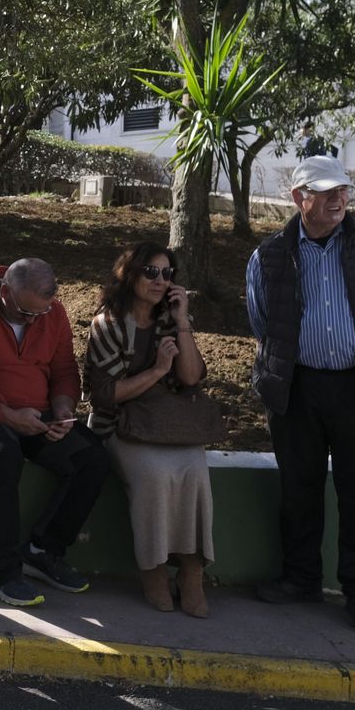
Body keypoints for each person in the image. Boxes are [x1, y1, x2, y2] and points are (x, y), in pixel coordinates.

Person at [246, 154, 355, 634]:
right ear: (299, 198)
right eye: (326, 191)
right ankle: (300, 578)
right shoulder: (270, 254)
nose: (339, 198)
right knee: (298, 488)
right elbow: (262, 321)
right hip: (297, 387)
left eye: (342, 189)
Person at [0, 259, 111, 606]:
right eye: (25, 313)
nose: (34, 320)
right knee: (2, 454)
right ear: (4, 291)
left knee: (91, 457)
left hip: (37, 413)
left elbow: (64, 370)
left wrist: (63, 410)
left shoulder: (53, 313)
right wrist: (8, 415)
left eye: (41, 312)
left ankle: (42, 550)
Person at [84, 243, 212, 617]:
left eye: (167, 274)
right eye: (151, 272)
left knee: (195, 471)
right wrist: (157, 370)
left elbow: (191, 377)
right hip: (118, 424)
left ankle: (191, 569)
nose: (160, 281)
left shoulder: (169, 320)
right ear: (130, 275)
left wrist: (182, 319)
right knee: (154, 474)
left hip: (168, 424)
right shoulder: (107, 324)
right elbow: (106, 396)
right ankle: (153, 569)